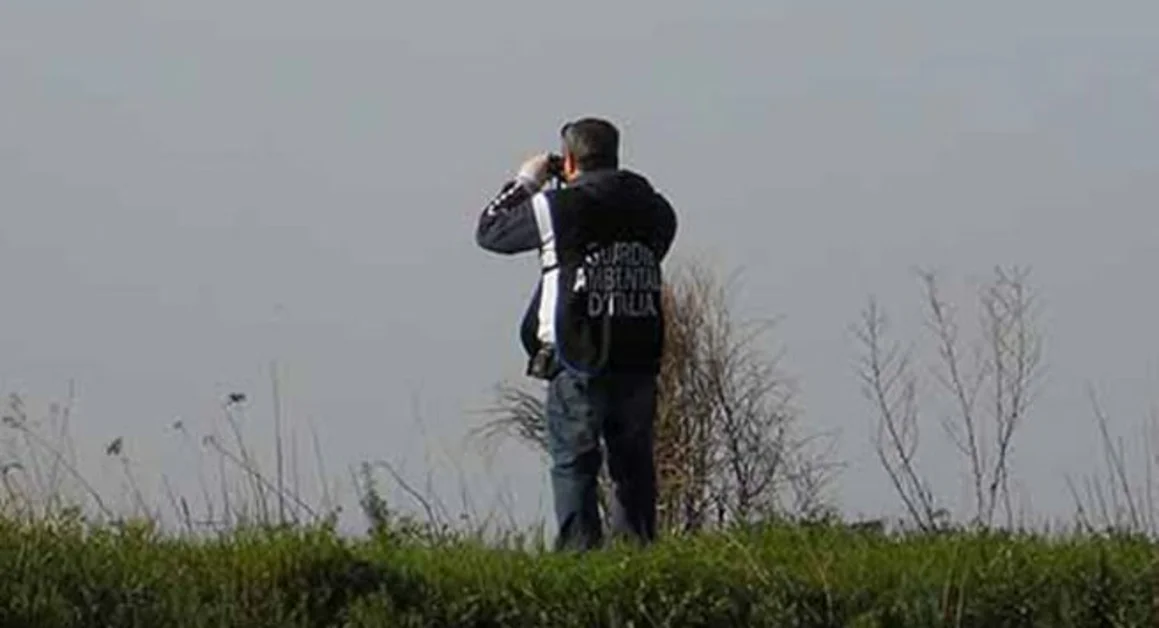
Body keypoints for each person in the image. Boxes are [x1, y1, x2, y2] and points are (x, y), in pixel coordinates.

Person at [475, 117, 677, 551]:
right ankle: (638, 560)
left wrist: (527, 180)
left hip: (578, 354)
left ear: (568, 160)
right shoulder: (657, 209)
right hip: (640, 353)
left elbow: (490, 232)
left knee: (575, 463)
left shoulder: (558, 208)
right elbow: (655, 250)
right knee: (634, 466)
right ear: (615, 154)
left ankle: (580, 560)